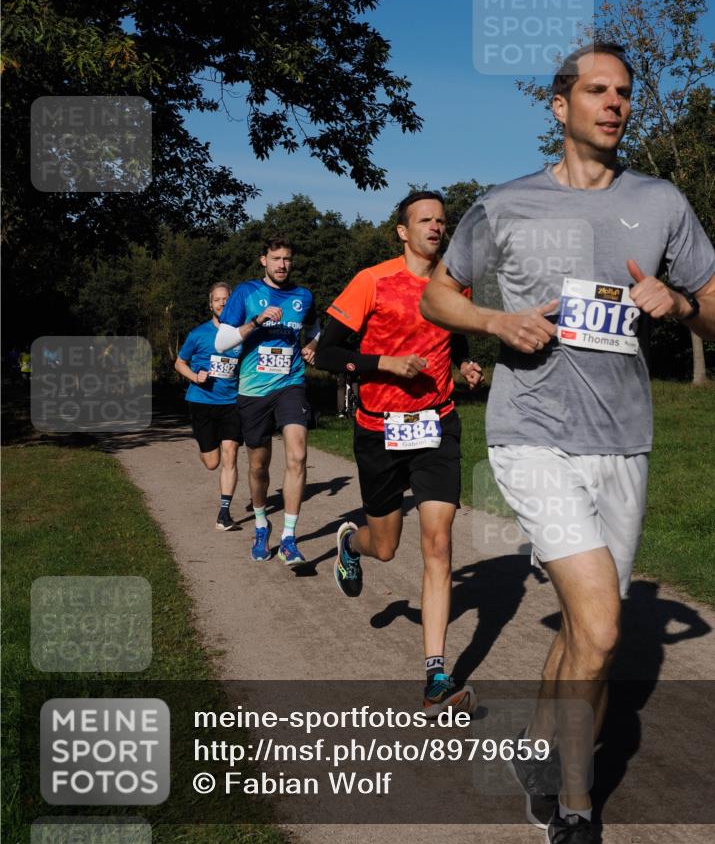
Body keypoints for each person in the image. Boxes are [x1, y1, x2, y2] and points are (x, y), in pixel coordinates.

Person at [420, 43, 715, 842]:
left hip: (623, 441)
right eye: (596, 90)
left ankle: (538, 746)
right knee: (599, 627)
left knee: (580, 630)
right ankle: (572, 804)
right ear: (558, 107)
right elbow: (437, 294)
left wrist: (680, 305)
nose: (615, 103)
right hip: (533, 435)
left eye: (625, 92)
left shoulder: (662, 203)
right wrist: (496, 320)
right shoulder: (504, 206)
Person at [315, 190, 484, 716]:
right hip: (379, 428)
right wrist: (385, 363)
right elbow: (327, 352)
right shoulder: (373, 280)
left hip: (437, 424)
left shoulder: (457, 284)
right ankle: (351, 543)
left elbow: (453, 347)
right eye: (425, 220)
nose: (436, 227)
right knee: (385, 546)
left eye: (442, 220)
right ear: (403, 232)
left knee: (437, 543)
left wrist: (465, 369)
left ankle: (436, 674)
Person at [215, 236, 319, 565]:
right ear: (264, 260)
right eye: (276, 259)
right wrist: (257, 322)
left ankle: (289, 537)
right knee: (258, 466)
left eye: (287, 259)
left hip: (291, 383)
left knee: (298, 455)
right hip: (253, 390)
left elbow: (317, 328)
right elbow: (221, 342)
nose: (282, 265)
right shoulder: (246, 293)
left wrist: (313, 345)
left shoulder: (303, 296)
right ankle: (262, 524)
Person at [175, 282, 244, 531]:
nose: (222, 303)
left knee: (231, 455)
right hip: (202, 401)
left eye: (227, 299)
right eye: (218, 300)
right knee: (212, 462)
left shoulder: (240, 334)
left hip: (231, 403)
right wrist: (195, 377)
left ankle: (224, 514)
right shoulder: (198, 334)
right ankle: (205, 445)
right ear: (210, 304)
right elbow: (179, 363)